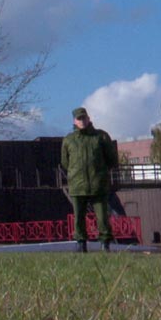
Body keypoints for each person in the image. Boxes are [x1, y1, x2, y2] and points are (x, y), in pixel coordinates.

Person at [60, 107, 117, 253]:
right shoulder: (69, 140)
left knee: (102, 217)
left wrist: (101, 174)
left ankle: (105, 244)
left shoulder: (101, 137)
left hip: (98, 185)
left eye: (84, 118)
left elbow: (111, 159)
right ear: (74, 121)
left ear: (88, 118)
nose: (82, 121)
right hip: (78, 186)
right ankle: (81, 244)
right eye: (79, 119)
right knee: (79, 217)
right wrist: (75, 174)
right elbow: (65, 162)